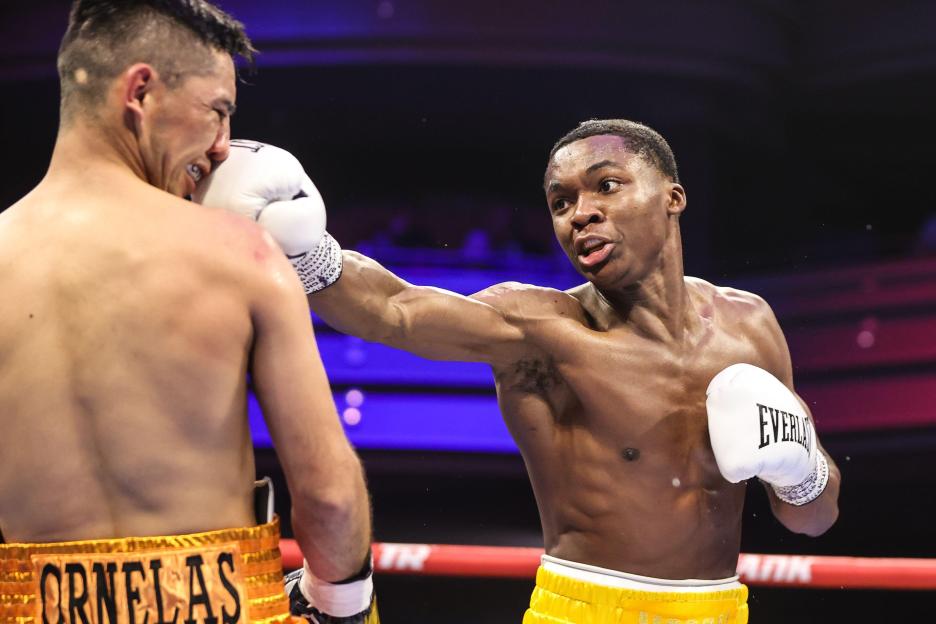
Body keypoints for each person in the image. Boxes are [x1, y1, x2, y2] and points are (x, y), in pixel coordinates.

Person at [197, 119, 841, 623]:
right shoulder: (542, 332)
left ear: (672, 197)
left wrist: (804, 469)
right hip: (589, 613)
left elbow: (813, 518)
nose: (579, 212)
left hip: (723, 611)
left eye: (606, 186)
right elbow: (396, 309)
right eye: (561, 201)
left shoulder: (752, 326)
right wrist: (309, 252)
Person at [0, 2, 376, 623]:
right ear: (141, 91)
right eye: (218, 112)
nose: (224, 147)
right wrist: (342, 608)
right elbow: (330, 496)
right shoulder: (242, 255)